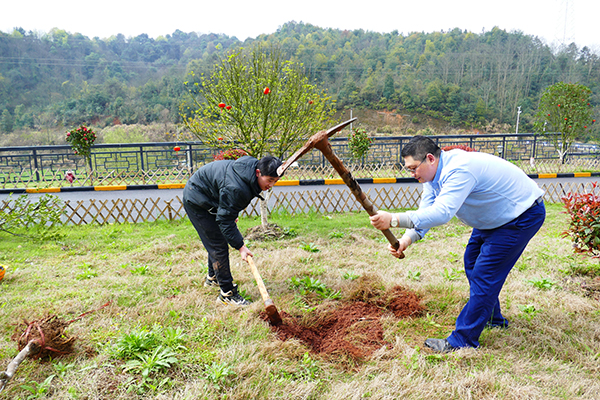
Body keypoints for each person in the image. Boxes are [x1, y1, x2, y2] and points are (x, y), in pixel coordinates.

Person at [369, 136, 545, 352]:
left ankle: (463, 340)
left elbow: (442, 213)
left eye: (414, 168)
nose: (412, 174)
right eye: (409, 169)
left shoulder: (459, 169)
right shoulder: (433, 178)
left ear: (430, 158)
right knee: (471, 262)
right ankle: (492, 317)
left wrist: (393, 219)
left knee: (484, 274)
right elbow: (427, 211)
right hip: (494, 218)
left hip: (520, 215)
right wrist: (406, 239)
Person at [183, 155, 282, 306]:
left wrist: (228, 212)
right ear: (258, 172)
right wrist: (241, 247)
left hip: (211, 195)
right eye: (269, 180)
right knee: (218, 245)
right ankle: (227, 294)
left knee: (219, 239)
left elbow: (227, 208)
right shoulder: (237, 188)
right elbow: (225, 220)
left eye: (275, 181)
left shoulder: (249, 170)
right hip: (197, 199)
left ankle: (212, 278)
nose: (271, 185)